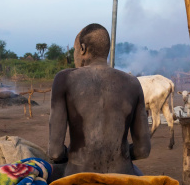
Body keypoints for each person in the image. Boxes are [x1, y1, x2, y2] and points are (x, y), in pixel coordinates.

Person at [48, 23, 151, 177]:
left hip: (79, 176)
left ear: (82, 49)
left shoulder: (64, 79)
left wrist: (73, 155)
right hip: (123, 175)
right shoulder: (133, 83)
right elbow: (142, 150)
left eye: (76, 50)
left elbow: (55, 153)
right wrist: (119, 156)